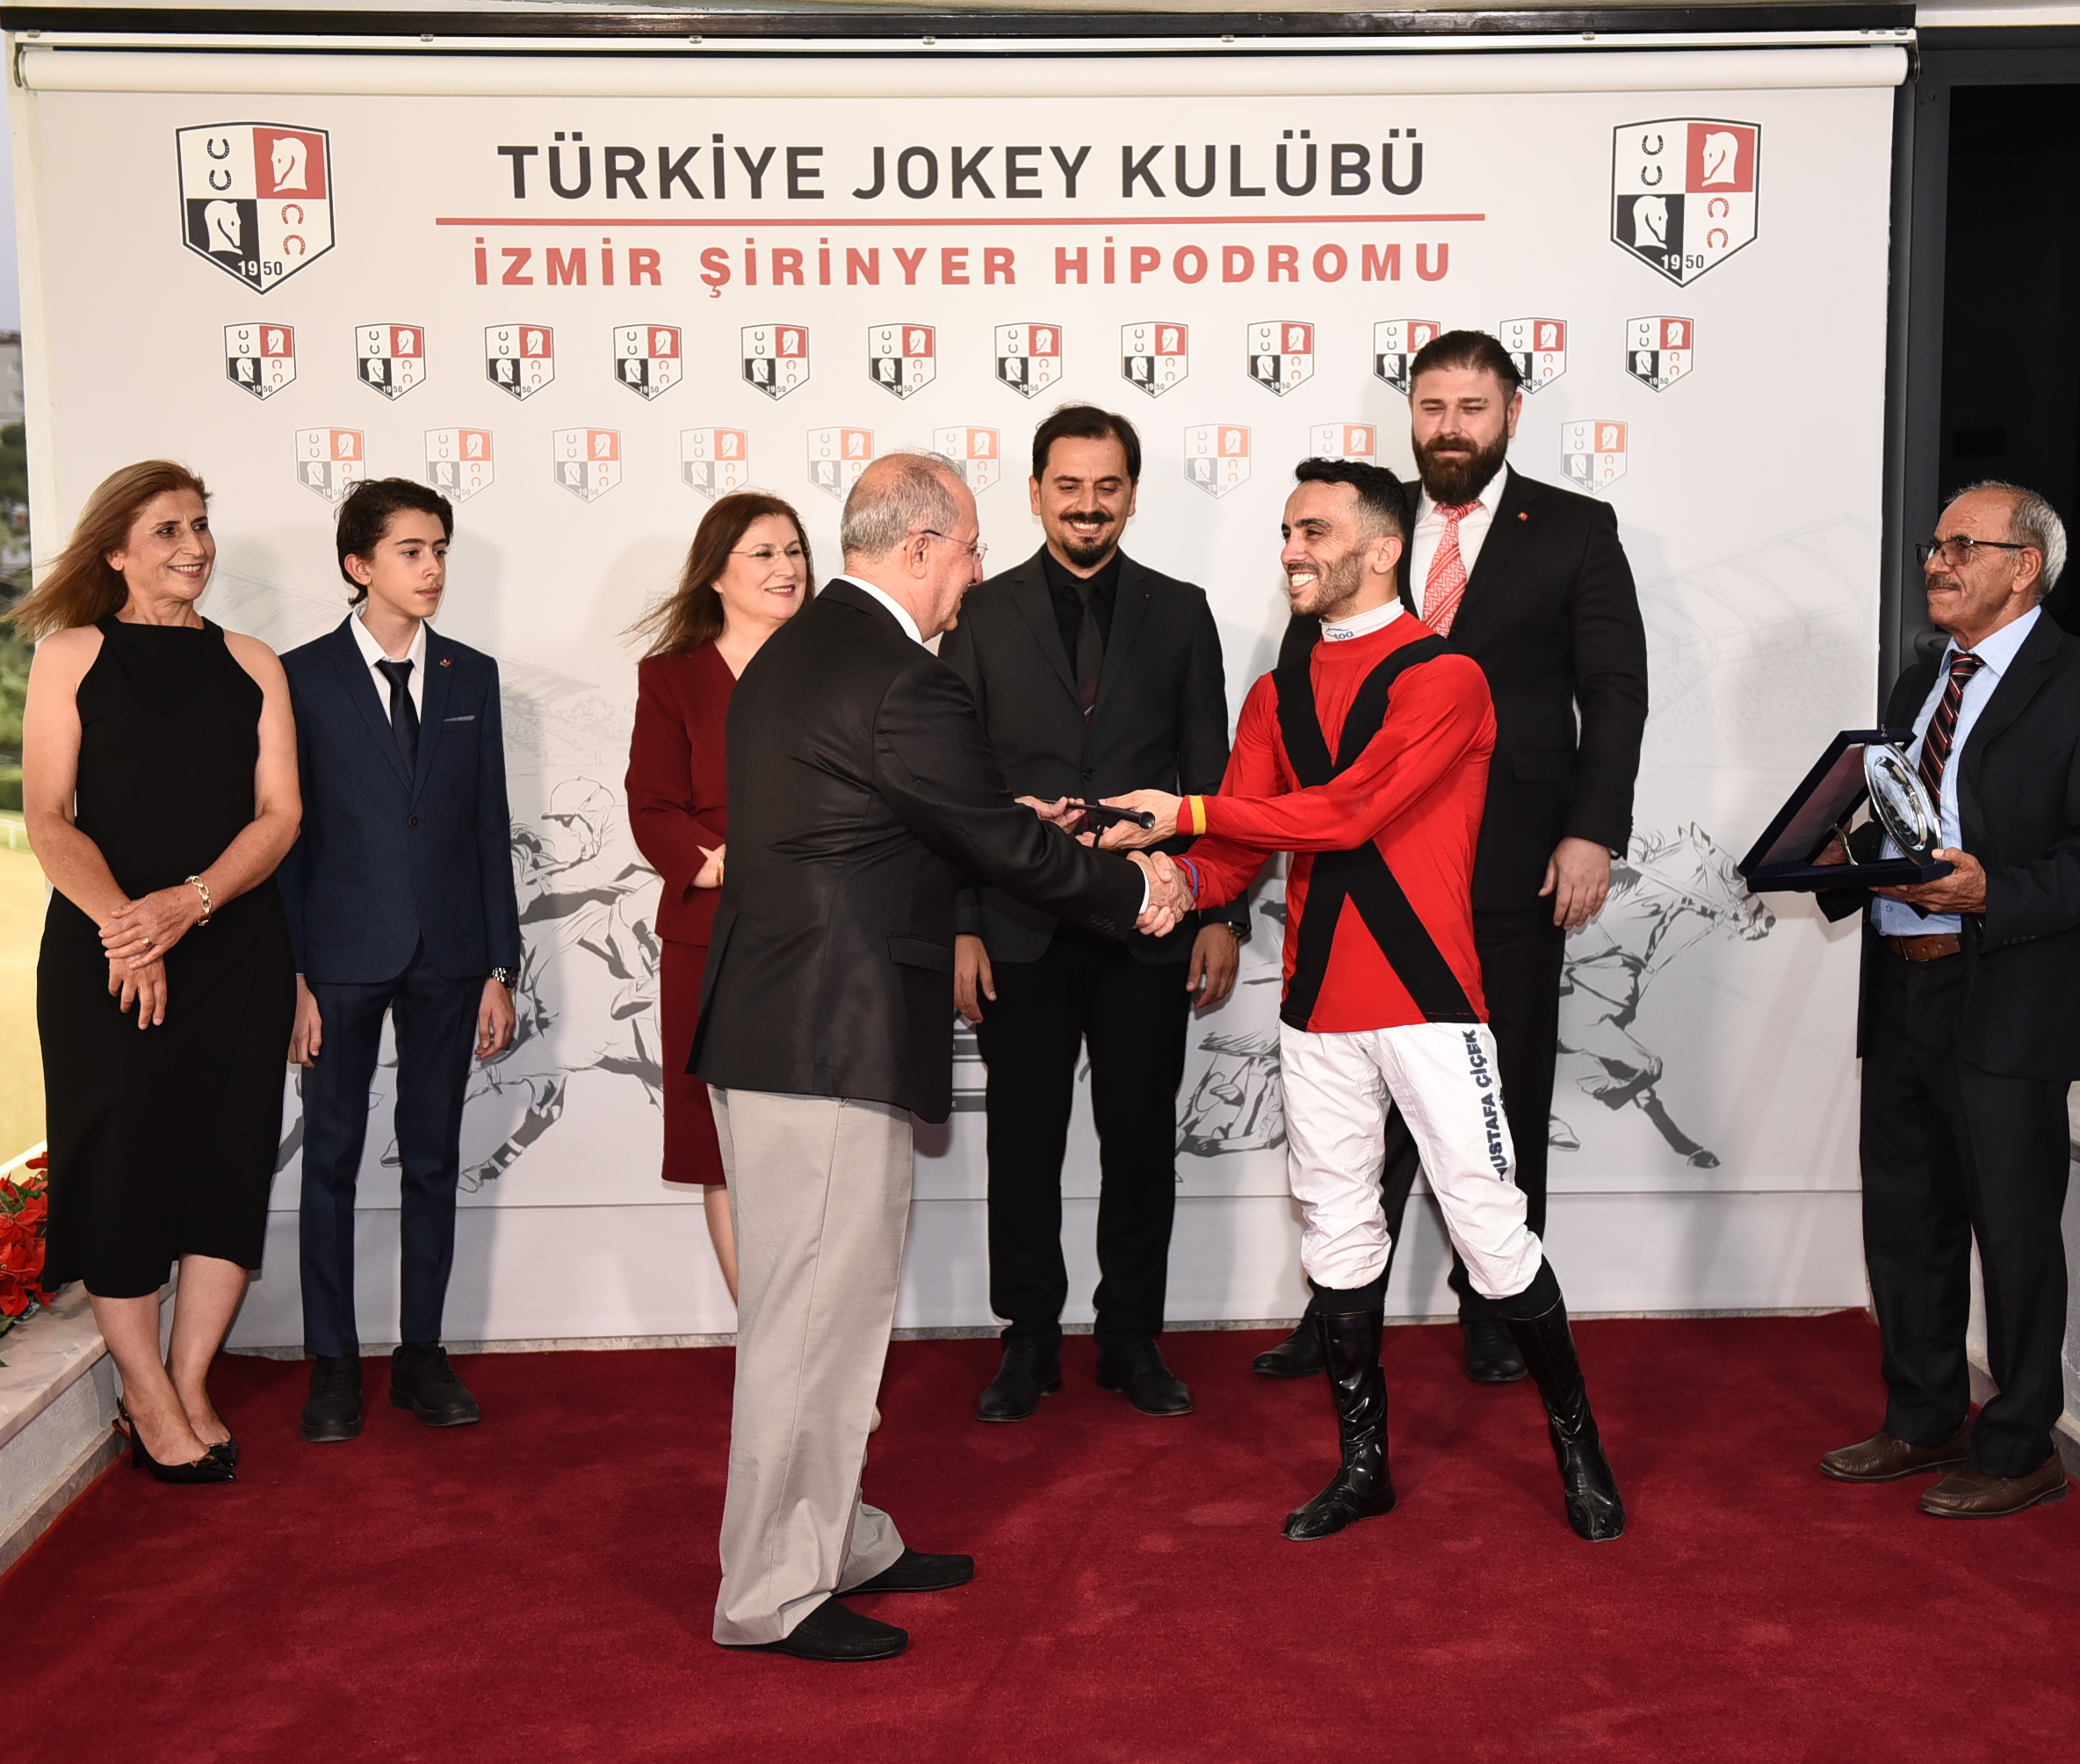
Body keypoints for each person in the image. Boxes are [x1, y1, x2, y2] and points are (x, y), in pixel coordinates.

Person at [689, 453, 1191, 1663]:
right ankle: (770, 1593)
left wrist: (1016, 824)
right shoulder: (898, 674)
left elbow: (897, 818)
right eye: (967, 549)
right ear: (917, 549)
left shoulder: (806, 651)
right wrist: (1135, 889)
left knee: (834, 1313)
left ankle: (838, 1539)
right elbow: (975, 838)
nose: (974, 573)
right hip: (824, 1038)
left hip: (793, 1029)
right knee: (811, 1323)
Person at [1099, 459, 1624, 1544]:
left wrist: (1186, 812)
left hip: (1430, 1005)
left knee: (1492, 1235)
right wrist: (1167, 881)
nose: (1291, 549)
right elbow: (1237, 848)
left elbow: (1344, 814)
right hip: (1315, 1011)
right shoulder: (1275, 692)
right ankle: (1362, 1468)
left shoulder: (1446, 677)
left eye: (1314, 532)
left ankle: (1579, 1450)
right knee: (1337, 1238)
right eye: (1287, 530)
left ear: (1383, 550)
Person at [1253, 327, 1649, 1387]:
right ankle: (1340, 1308)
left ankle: (1494, 1308)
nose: (1449, 428)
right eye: (1431, 407)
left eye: (1471, 409)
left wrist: (1590, 830)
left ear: (1510, 413)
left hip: (1513, 860)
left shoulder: (1572, 528)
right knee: (1354, 1101)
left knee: (1500, 1091)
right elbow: (1303, 667)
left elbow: (1612, 691)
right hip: (1366, 861)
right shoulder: (1363, 516)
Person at [1816, 482, 2080, 1518]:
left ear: (2024, 565)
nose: (1936, 561)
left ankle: (2017, 1446)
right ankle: (1922, 1417)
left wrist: (1990, 893)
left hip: (2007, 986)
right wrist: (1825, 857)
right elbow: (1896, 814)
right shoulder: (1920, 677)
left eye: (1962, 546)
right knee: (1905, 1216)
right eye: (1933, 544)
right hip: (1900, 980)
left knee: (2010, 1229)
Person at [940, 406, 1242, 1424]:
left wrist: (1220, 913)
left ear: (1131, 495)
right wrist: (961, 922)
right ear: (1034, 493)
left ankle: (1130, 1338)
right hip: (1017, 922)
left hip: (1146, 923)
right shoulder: (978, 614)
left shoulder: (1181, 612)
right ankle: (1027, 1339)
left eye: (1106, 485)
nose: (1086, 503)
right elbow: (957, 784)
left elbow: (1209, 777)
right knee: (1022, 1142)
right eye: (1067, 485)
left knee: (1140, 1140)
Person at [14, 461, 300, 1485]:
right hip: (105, 954)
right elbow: (48, 815)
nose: (194, 546)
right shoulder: (70, 655)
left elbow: (281, 814)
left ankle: (188, 1379)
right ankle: (143, 1393)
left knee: (228, 1162)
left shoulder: (253, 662)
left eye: (201, 525)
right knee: (122, 1167)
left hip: (235, 947)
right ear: (116, 550)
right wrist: (130, 932)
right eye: (169, 529)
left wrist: (191, 904)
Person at [278, 478, 519, 1442]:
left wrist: (499, 966)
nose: (432, 568)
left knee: (433, 1156)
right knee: (330, 1159)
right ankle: (332, 1363)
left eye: (440, 550)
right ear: (358, 564)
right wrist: (294, 975)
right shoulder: (297, 677)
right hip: (337, 954)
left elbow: (489, 824)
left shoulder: (471, 675)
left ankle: (422, 1355)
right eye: (412, 551)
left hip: (451, 954)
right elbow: (285, 837)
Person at [624, 491, 815, 1304]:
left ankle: (819, 1342)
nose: (786, 568)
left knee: (815, 1140)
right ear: (715, 574)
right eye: (763, 553)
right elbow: (651, 807)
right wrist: (732, 866)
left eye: (795, 550)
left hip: (822, 934)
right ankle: (766, 1339)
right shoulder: (671, 678)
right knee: (720, 1146)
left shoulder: (835, 669)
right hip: (710, 940)